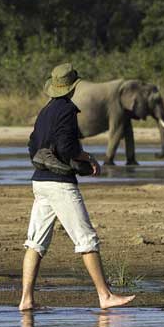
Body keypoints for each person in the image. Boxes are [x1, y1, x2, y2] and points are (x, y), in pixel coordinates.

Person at [19, 63, 135, 311]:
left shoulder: (46, 110)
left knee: (35, 242)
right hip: (60, 185)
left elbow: (32, 144)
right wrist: (86, 158)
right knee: (86, 239)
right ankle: (104, 295)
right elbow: (66, 147)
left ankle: (26, 299)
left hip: (39, 181)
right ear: (73, 87)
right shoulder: (67, 111)